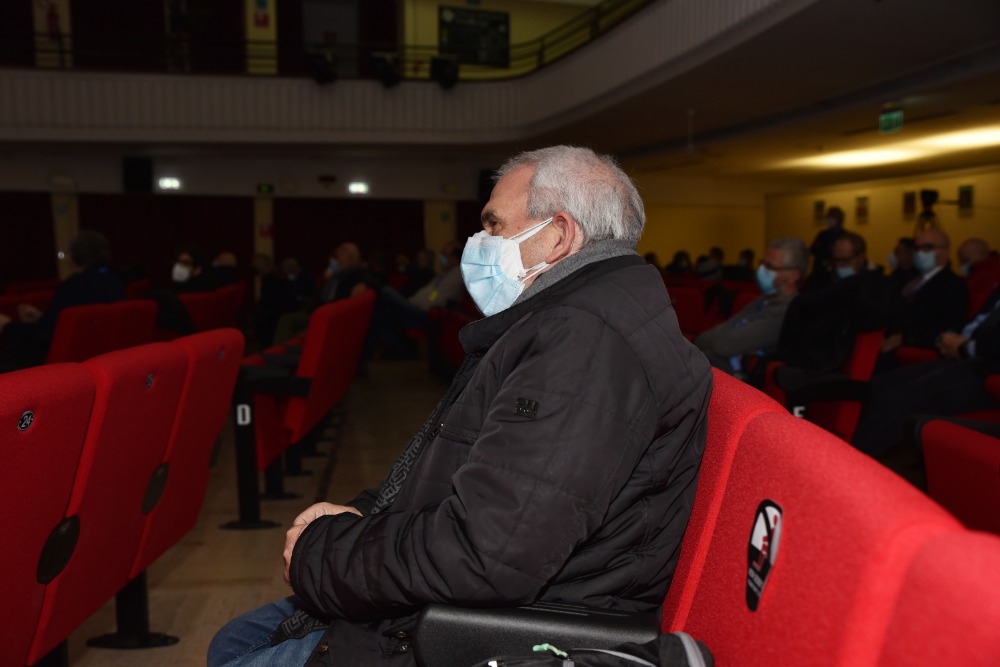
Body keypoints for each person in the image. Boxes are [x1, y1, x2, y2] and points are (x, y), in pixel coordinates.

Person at [208, 145, 712, 667]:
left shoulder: (584, 342)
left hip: (499, 627)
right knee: (236, 640)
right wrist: (362, 515)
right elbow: (469, 479)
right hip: (478, 597)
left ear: (558, 236)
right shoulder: (571, 319)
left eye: (494, 225)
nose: (481, 242)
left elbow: (489, 552)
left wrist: (322, 553)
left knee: (236, 653)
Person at [852, 283, 1000, 456]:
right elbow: (974, 325)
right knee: (881, 386)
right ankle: (843, 447)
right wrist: (949, 340)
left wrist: (965, 347)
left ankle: (851, 461)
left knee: (905, 400)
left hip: (990, 373)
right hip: (967, 359)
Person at [0, 230, 124, 367]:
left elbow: (45, 334)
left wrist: (7, 326)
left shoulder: (75, 286)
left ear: (72, 257)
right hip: (100, 355)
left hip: (65, 361)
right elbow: (83, 323)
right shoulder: (114, 280)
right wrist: (41, 318)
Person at [695, 238, 807, 377]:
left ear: (793, 276)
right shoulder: (764, 300)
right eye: (762, 263)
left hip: (733, 379)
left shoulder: (789, 311)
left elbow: (724, 345)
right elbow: (724, 329)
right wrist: (703, 341)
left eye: (769, 267)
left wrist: (704, 341)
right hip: (710, 364)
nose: (761, 270)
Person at [881, 228, 968, 357]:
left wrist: (904, 337)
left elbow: (947, 327)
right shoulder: (912, 280)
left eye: (928, 248)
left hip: (920, 351)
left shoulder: (952, 284)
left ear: (945, 252)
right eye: (917, 248)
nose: (920, 253)